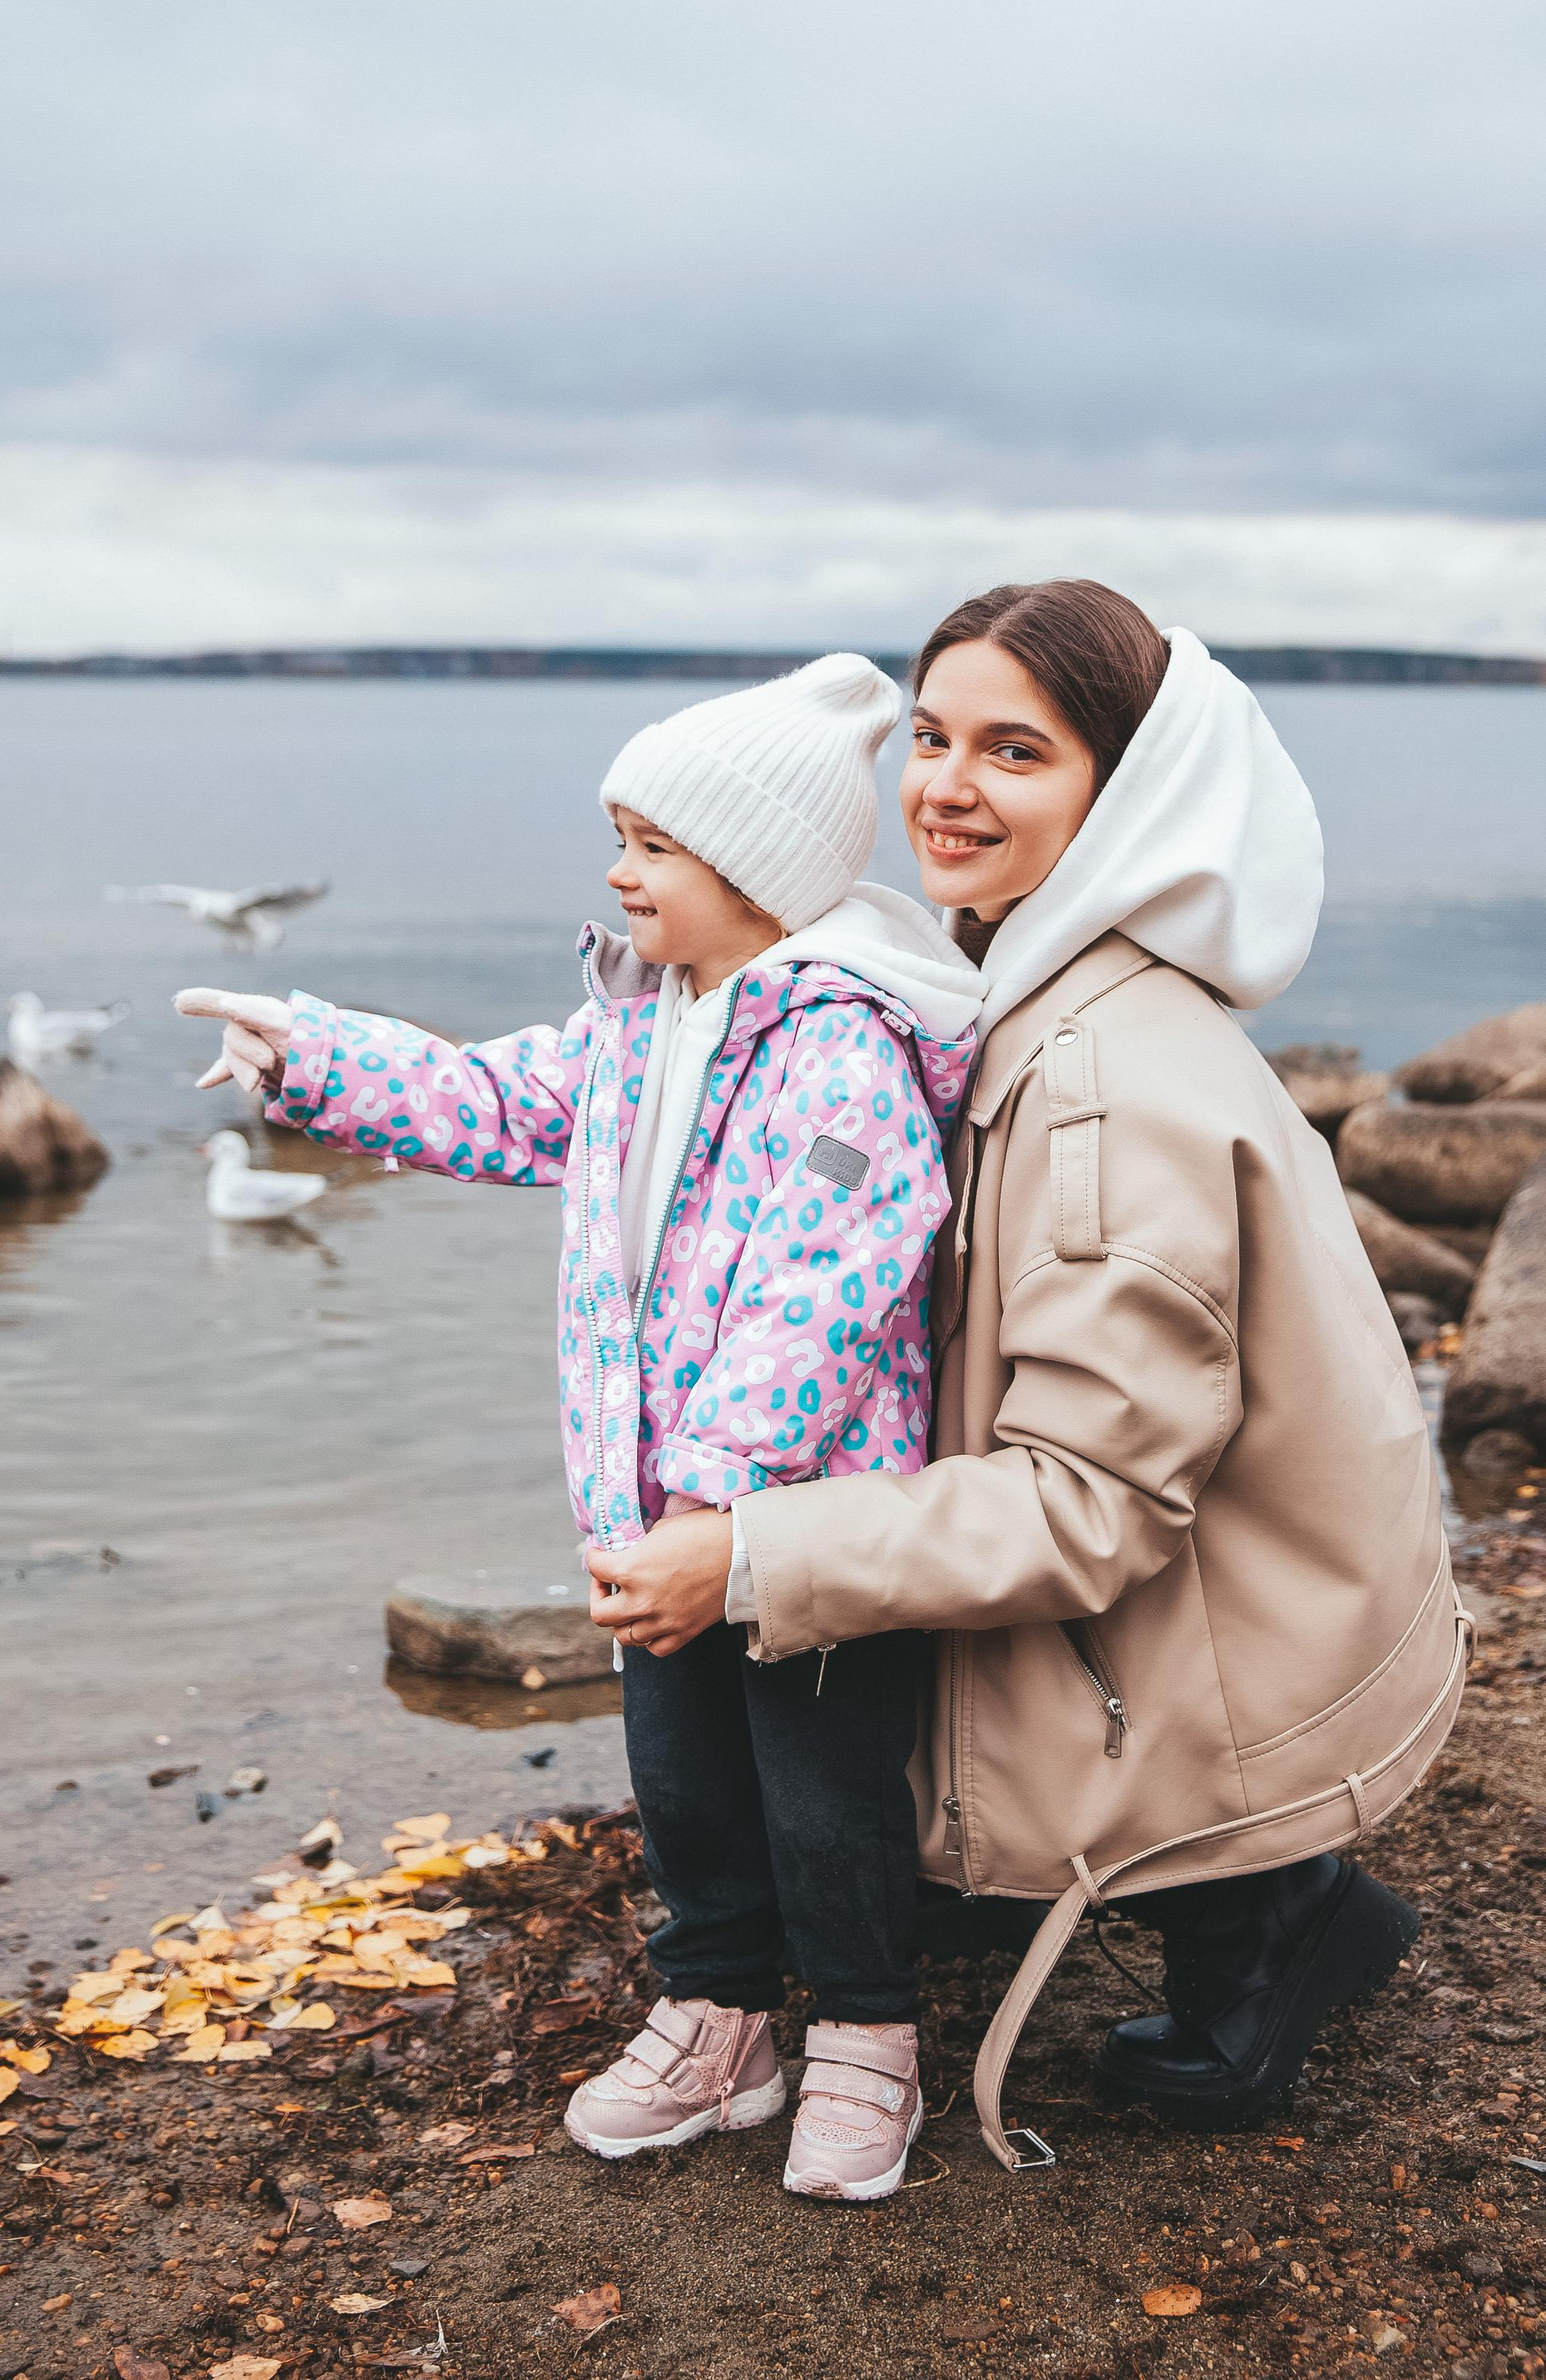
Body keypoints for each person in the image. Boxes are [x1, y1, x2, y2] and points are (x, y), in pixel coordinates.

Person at [585, 581, 1466, 2166]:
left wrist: (756, 1554)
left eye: (1015, 751)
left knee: (815, 1678)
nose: (942, 786)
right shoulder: (1040, 981)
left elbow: (1091, 1507)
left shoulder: (1106, 1087)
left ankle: (1259, 1922)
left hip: (1242, 1632)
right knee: (840, 1740)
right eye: (928, 738)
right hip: (1237, 1581)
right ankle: (1239, 1893)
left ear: (1116, 791)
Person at [176, 653, 983, 2204]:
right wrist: (313, 1052)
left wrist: (723, 1506)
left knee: (825, 1791)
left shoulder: (840, 1048)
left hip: (794, 1523)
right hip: (644, 1510)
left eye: (653, 844)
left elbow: (829, 1280)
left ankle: (871, 2035)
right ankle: (722, 2012)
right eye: (619, 835)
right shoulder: (634, 1022)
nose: (618, 871)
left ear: (756, 870)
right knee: (683, 1782)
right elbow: (490, 1103)